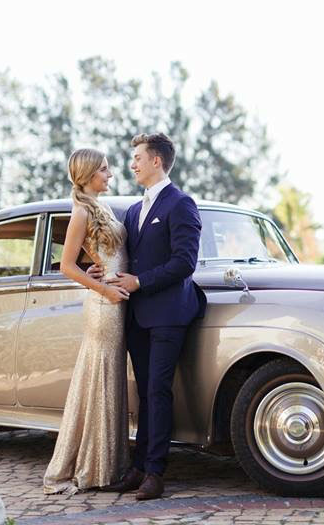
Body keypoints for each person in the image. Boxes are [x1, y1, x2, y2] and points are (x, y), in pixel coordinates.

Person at [94, 132, 207, 500]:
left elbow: (184, 263)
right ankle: (139, 467)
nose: (132, 164)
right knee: (143, 392)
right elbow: (124, 258)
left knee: (158, 391)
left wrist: (140, 281)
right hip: (137, 316)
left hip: (169, 315)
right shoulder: (133, 210)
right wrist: (101, 273)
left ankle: (155, 474)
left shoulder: (181, 204)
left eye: (138, 157)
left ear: (156, 161)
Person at [42, 149, 132, 495]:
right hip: (103, 305)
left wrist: (96, 267)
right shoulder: (80, 210)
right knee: (101, 376)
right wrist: (103, 289)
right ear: (90, 174)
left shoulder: (100, 206)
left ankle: (107, 463)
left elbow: (98, 254)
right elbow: (66, 265)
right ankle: (93, 468)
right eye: (105, 169)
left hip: (115, 300)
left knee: (109, 379)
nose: (110, 174)